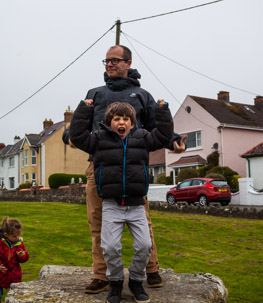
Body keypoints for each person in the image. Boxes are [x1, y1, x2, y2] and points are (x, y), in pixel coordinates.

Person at [63, 45, 186, 293]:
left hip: (133, 169)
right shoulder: (94, 94)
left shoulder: (142, 95)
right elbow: (78, 127)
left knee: (144, 222)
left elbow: (157, 127)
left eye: (115, 60)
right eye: (106, 61)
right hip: (97, 168)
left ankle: (151, 269)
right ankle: (101, 275)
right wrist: (69, 137)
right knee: (97, 222)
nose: (109, 64)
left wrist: (174, 140)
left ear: (128, 63)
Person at [69, 99, 173, 303]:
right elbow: (78, 136)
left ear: (133, 123)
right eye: (117, 119)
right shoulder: (98, 139)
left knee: (144, 246)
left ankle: (136, 280)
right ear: (109, 122)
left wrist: (162, 110)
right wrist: (84, 109)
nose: (121, 122)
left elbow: (163, 135)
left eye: (126, 118)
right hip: (111, 205)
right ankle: (115, 282)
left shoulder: (143, 138)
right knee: (109, 247)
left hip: (136, 206)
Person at [0, 216, 29, 303]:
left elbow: (24, 259)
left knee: (15, 294)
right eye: (14, 236)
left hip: (13, 273)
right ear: (6, 234)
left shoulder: (19, 243)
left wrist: (22, 255)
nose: (17, 238)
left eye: (18, 235)